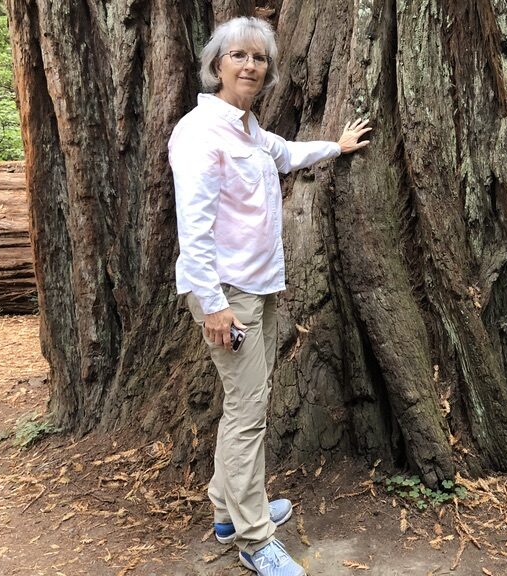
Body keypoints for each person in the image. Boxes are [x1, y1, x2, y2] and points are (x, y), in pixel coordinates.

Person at [168, 16, 370, 576]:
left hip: (258, 288)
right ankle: (255, 539)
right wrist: (212, 304)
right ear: (217, 65)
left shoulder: (249, 131)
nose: (251, 65)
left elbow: (287, 154)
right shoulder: (200, 134)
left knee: (244, 407)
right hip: (229, 296)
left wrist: (338, 145)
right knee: (249, 414)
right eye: (240, 56)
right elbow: (194, 228)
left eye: (260, 58)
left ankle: (227, 512)